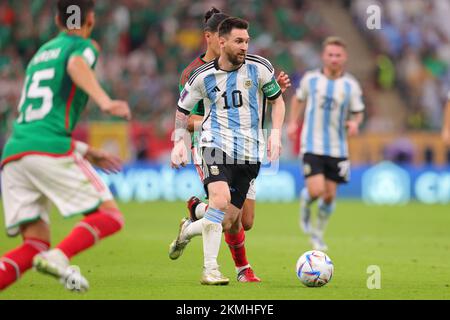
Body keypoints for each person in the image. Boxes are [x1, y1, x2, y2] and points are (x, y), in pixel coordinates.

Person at [0, 0, 131, 292]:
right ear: (92, 20)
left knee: (34, 244)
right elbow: (76, 64)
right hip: (49, 149)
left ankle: (49, 254)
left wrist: (84, 150)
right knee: (109, 216)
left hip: (14, 153)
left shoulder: (40, 54)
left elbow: (40, 117)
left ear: (58, 21)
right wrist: (105, 101)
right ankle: (59, 257)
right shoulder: (82, 46)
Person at [170, 8, 290, 283]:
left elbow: (274, 100)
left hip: (248, 152)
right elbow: (183, 113)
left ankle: (192, 222)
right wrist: (179, 143)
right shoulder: (198, 75)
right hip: (212, 145)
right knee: (220, 201)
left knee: (234, 221)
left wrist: (274, 133)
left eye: (247, 41)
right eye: (239, 41)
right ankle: (214, 269)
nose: (244, 46)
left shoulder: (259, 67)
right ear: (217, 39)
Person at [288, 36, 364, 251]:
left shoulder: (351, 85)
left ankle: (318, 234)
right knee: (316, 191)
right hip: (312, 145)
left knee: (330, 196)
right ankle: (306, 203)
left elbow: (358, 112)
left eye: (338, 55)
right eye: (330, 55)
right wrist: (293, 123)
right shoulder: (311, 80)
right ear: (323, 56)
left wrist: (355, 123)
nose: (334, 59)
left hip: (338, 148)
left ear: (344, 57)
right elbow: (298, 99)